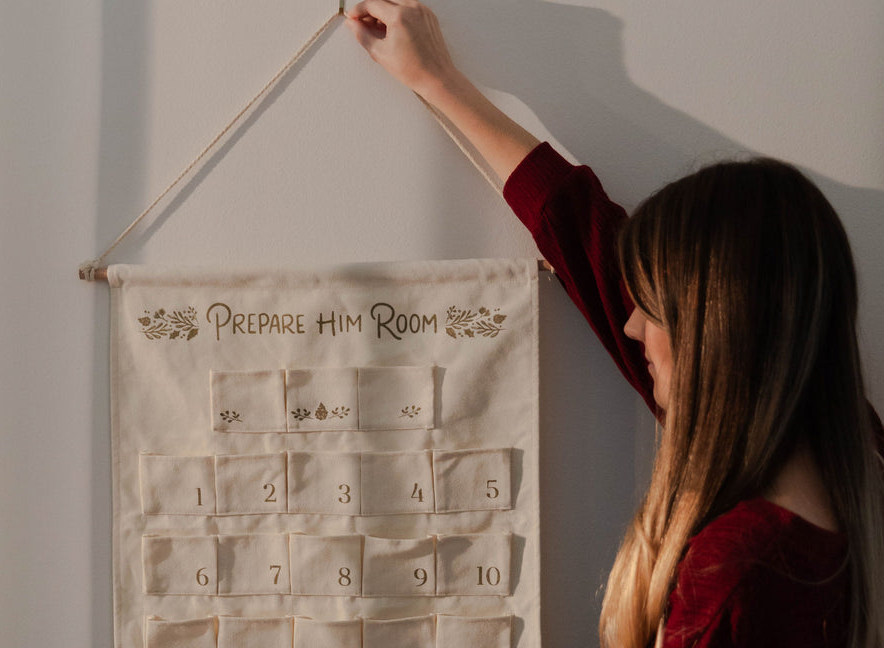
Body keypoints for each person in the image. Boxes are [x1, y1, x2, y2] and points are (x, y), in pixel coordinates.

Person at [343, 2, 884, 647]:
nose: (631, 328)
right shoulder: (857, 476)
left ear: (717, 337)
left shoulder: (737, 575)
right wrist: (439, 82)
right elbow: (586, 240)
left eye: (652, 308)